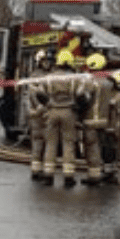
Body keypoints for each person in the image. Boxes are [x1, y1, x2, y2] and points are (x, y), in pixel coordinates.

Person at [36, 49, 87, 187]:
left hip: (52, 111)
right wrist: (77, 108)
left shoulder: (48, 77)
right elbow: (81, 95)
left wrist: (48, 104)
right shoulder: (75, 78)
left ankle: (48, 175)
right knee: (68, 143)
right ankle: (68, 177)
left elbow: (39, 93)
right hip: (68, 112)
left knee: (50, 143)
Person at [79, 53, 114, 186]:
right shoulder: (110, 82)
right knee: (104, 146)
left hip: (90, 120)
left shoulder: (90, 82)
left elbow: (82, 99)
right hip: (106, 121)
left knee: (92, 147)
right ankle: (108, 172)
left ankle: (94, 176)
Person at [27, 50, 53, 180]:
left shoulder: (34, 76)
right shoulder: (49, 76)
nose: (47, 63)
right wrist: (41, 107)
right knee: (44, 143)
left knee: (40, 143)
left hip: (38, 113)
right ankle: (39, 170)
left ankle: (37, 169)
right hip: (43, 113)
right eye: (45, 61)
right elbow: (33, 95)